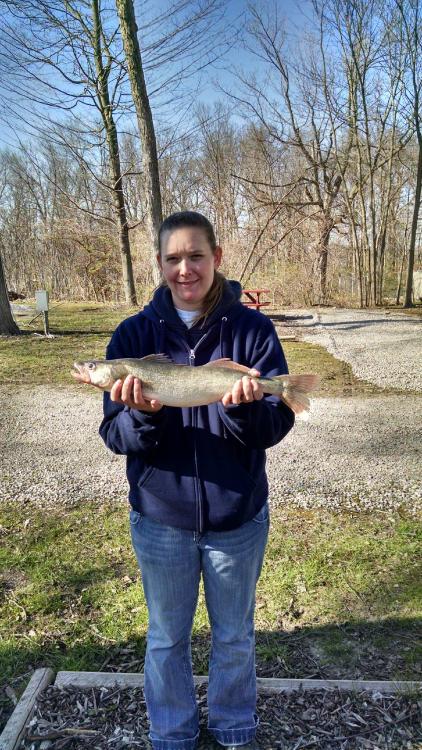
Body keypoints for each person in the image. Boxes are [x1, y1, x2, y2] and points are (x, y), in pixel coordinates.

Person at [99, 211, 295, 750]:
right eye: (172, 258)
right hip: (161, 518)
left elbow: (275, 425)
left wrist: (243, 409)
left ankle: (234, 729)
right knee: (166, 639)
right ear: (159, 263)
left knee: (234, 636)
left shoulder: (252, 331)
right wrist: (142, 412)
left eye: (195, 256)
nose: (185, 268)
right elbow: (115, 436)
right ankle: (172, 734)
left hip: (238, 517)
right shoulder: (132, 337)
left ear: (217, 258)